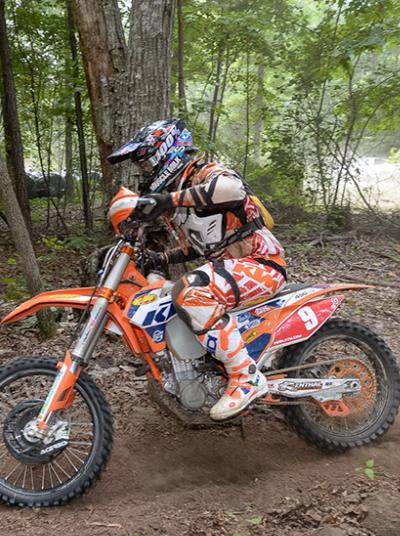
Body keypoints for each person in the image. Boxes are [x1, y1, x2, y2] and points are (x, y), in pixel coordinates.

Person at [107, 119, 287, 420]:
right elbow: (201, 246)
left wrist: (167, 199)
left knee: (191, 290)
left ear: (169, 152)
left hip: (262, 265)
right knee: (165, 294)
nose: (146, 171)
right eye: (142, 166)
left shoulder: (206, 173)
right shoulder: (181, 196)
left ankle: (245, 377)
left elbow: (232, 189)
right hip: (231, 269)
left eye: (148, 162)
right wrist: (160, 258)